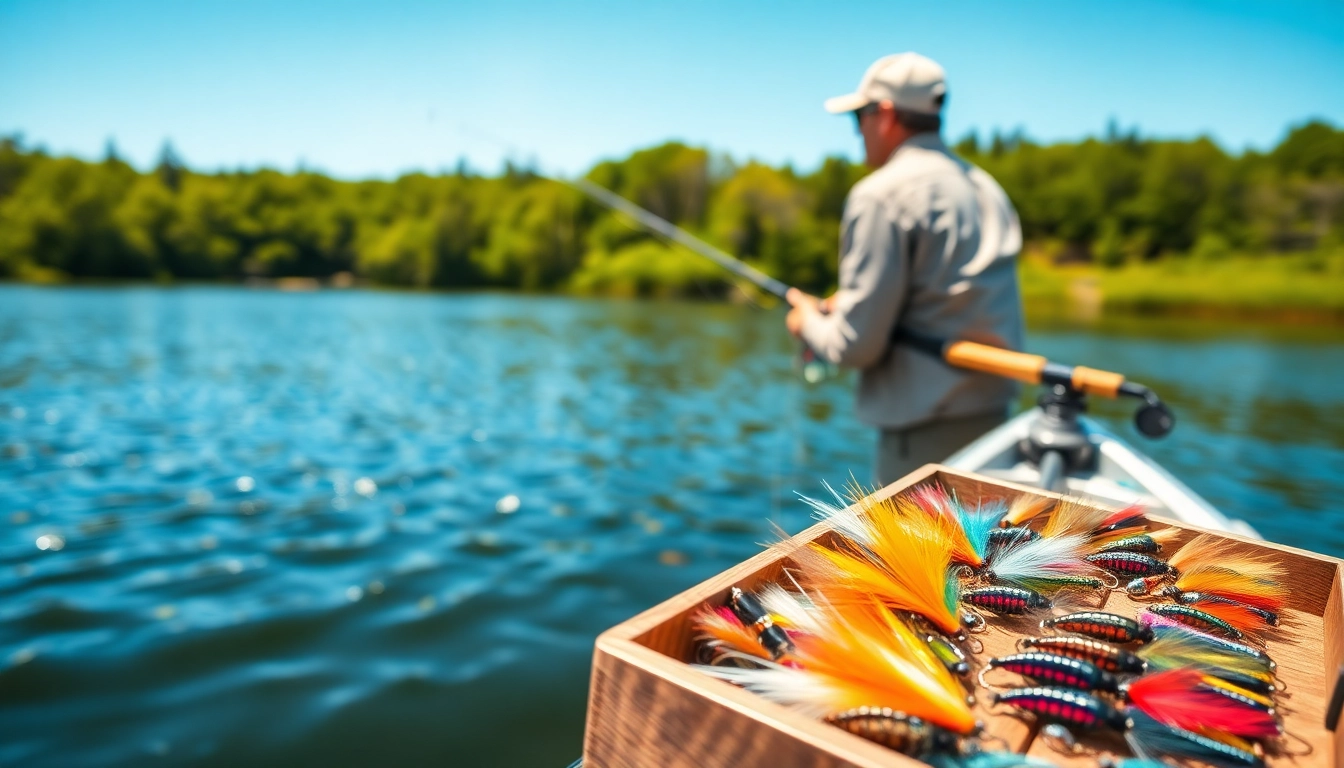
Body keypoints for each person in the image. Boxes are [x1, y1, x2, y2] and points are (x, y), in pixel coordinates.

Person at [785, 52, 1025, 486]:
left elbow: (854, 346)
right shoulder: (987, 188)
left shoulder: (879, 195)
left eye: (859, 117)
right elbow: (947, 293)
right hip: (994, 428)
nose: (857, 131)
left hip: (921, 445)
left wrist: (806, 321)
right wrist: (849, 304)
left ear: (886, 114)